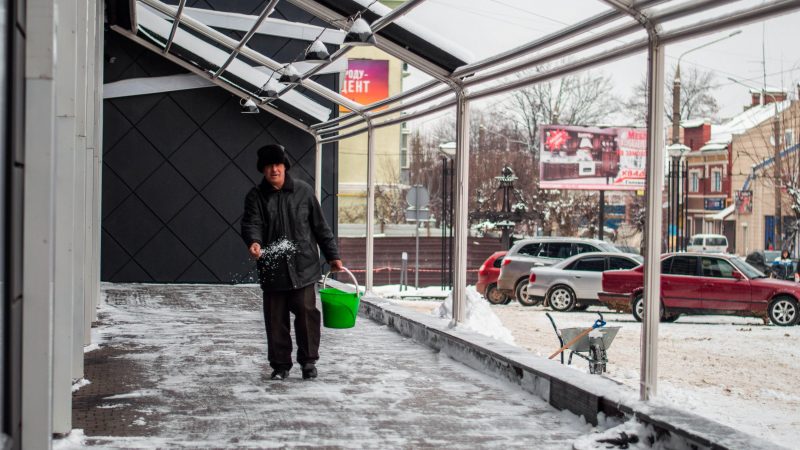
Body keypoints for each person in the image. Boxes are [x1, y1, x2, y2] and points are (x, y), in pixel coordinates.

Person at [241, 144, 343, 381]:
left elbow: (320, 227)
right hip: (273, 270)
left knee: (307, 316)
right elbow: (251, 223)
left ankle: (308, 363)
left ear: (285, 167)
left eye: (277, 165)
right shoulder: (255, 197)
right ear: (262, 170)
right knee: (276, 320)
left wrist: (332, 255)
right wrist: (254, 242)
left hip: (304, 268)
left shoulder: (304, 191)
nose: (274, 170)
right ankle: (280, 366)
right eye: (269, 166)